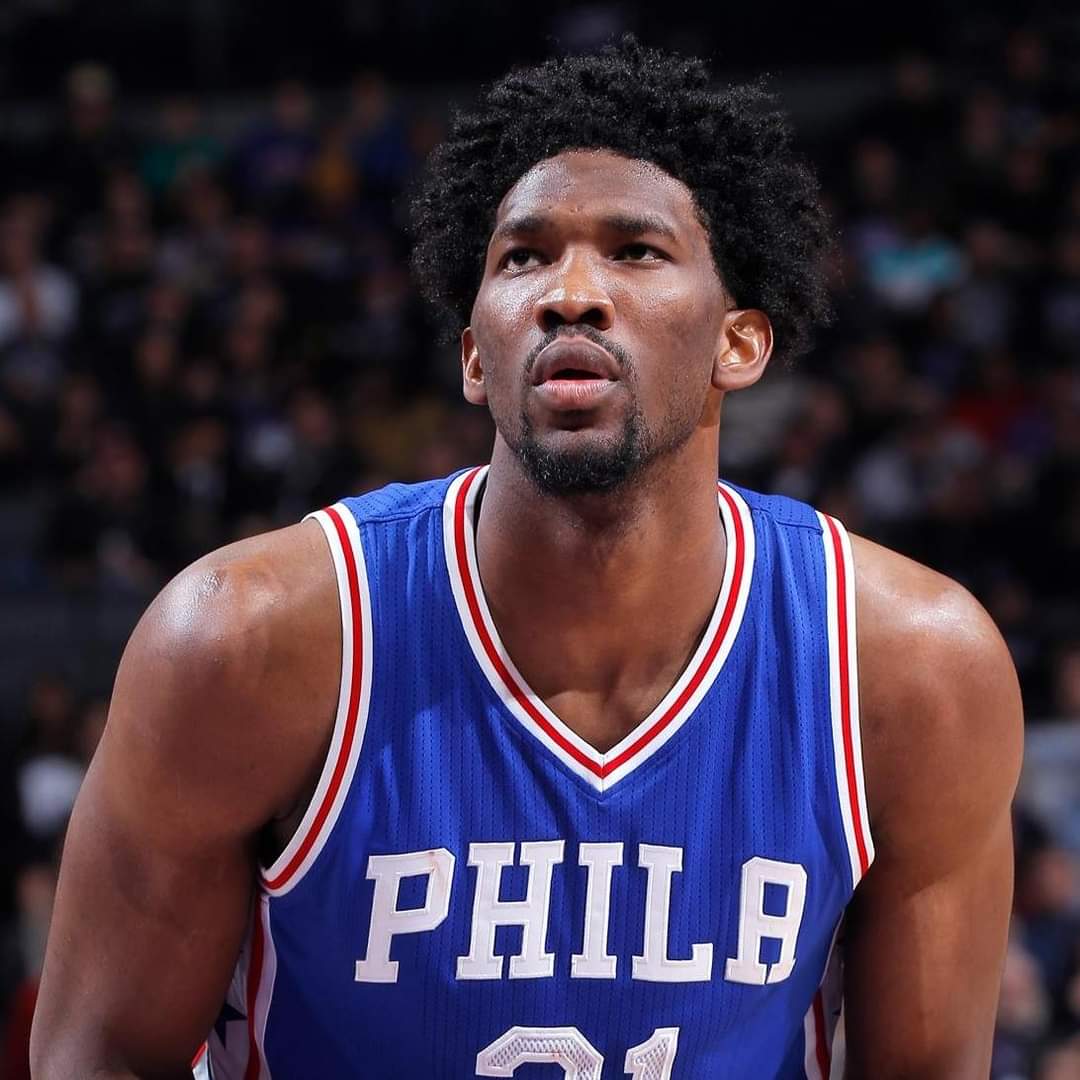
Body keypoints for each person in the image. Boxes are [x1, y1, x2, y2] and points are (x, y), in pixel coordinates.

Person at [31, 38, 1022, 1078]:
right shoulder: (248, 640)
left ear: (739, 344)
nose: (571, 292)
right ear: (475, 355)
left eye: (636, 251)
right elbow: (99, 1055)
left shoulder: (908, 670)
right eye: (524, 257)